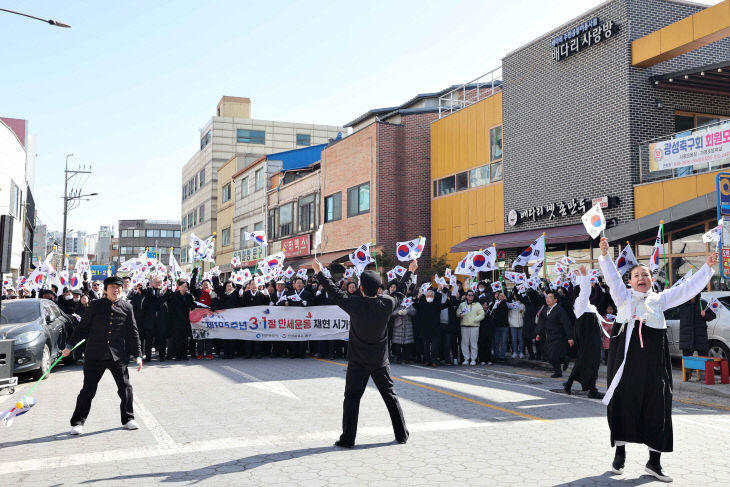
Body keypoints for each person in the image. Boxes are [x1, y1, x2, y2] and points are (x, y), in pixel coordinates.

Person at [598, 236, 717, 482]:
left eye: (645, 275)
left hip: (654, 364)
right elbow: (611, 278)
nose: (642, 278)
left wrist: (708, 267)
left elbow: (686, 289)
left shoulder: (660, 300)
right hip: (626, 364)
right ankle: (620, 454)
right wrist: (605, 255)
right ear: (629, 282)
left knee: (658, 407)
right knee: (623, 404)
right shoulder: (623, 298)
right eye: (636, 276)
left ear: (652, 279)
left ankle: (654, 462)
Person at [312, 257, 416, 448]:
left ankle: (348, 439)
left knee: (352, 398)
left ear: (360, 288)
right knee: (390, 396)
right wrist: (410, 271)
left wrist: (320, 272)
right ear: (379, 289)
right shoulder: (387, 303)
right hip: (380, 360)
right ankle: (402, 435)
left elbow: (334, 292)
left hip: (357, 361)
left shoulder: (354, 304)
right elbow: (401, 292)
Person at [62, 276, 143, 435]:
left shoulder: (127, 307)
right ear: (105, 290)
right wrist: (69, 346)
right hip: (94, 354)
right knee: (88, 390)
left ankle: (128, 419)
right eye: (112, 287)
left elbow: (133, 333)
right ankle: (77, 422)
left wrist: (138, 354)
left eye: (118, 288)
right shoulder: (95, 305)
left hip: (117, 355)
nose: (115, 290)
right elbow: (82, 328)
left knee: (125, 388)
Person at [563, 267, 605, 399]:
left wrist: (579, 276)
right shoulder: (580, 303)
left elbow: (580, 289)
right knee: (589, 359)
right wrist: (585, 275)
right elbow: (585, 290)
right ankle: (591, 389)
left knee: (586, 359)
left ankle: (571, 383)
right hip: (587, 334)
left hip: (590, 334)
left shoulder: (585, 304)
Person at [535, 290, 573, 378]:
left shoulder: (560, 310)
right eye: (547, 297)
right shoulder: (545, 309)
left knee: (553, 355)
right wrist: (538, 333)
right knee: (549, 355)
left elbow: (566, 324)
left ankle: (558, 372)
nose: (548, 299)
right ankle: (565, 359)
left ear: (555, 300)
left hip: (559, 337)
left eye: (550, 297)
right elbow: (541, 322)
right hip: (549, 336)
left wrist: (570, 337)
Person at [140, 275, 171, 361]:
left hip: (161, 321)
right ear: (152, 283)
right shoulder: (148, 292)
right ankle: (148, 357)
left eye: (159, 282)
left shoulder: (164, 292)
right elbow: (145, 303)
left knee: (162, 339)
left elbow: (166, 299)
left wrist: (169, 285)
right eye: (156, 282)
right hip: (150, 321)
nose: (158, 284)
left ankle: (162, 356)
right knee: (149, 341)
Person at [413, 287, 443, 367]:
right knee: (425, 346)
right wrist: (417, 298)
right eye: (428, 295)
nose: (429, 297)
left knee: (434, 347)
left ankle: (434, 361)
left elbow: (444, 303)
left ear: (433, 296)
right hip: (425, 328)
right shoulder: (422, 303)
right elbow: (414, 304)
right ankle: (426, 360)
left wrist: (440, 290)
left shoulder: (437, 303)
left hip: (435, 328)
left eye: (431, 296)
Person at [678, 293, 715, 358]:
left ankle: (701, 368)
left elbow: (713, 315)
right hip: (687, 338)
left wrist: (705, 315)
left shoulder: (702, 303)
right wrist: (666, 291)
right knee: (687, 363)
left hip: (700, 337)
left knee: (703, 361)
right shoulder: (682, 304)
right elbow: (671, 303)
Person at [167, 279, 195, 361]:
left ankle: (185, 355)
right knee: (177, 338)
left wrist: (194, 303)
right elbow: (170, 306)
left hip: (186, 320)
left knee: (185, 339)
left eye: (185, 287)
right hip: (176, 320)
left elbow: (191, 305)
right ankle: (178, 356)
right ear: (178, 287)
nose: (184, 288)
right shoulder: (174, 295)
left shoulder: (188, 296)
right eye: (182, 286)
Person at [457, 290, 485, 365]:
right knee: (464, 343)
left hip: (474, 326)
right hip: (464, 326)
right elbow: (458, 312)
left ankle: (473, 359)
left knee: (474, 343)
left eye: (472, 295)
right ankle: (466, 359)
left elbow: (482, 314)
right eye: (469, 295)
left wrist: (475, 320)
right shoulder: (462, 304)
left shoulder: (478, 304)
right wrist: (460, 314)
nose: (471, 296)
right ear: (466, 296)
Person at [391, 299, 415, 363]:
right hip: (398, 326)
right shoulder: (395, 302)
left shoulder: (408, 301)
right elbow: (391, 312)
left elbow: (414, 311)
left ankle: (407, 358)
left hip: (407, 326)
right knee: (397, 344)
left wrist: (407, 311)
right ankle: (398, 358)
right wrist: (398, 312)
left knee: (407, 344)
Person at [491, 292, 510, 362]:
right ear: (498, 296)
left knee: (503, 342)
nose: (501, 297)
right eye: (500, 295)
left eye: (502, 295)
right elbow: (492, 311)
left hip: (504, 325)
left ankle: (502, 356)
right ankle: (496, 356)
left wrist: (505, 300)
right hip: (496, 325)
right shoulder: (495, 303)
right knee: (496, 342)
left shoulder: (506, 303)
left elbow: (509, 307)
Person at [507, 293, 525, 359]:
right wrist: (510, 321)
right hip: (512, 323)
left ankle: (521, 352)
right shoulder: (511, 304)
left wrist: (522, 312)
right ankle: (514, 352)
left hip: (520, 323)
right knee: (514, 339)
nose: (515, 296)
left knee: (520, 339)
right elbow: (508, 314)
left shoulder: (522, 305)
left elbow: (523, 314)